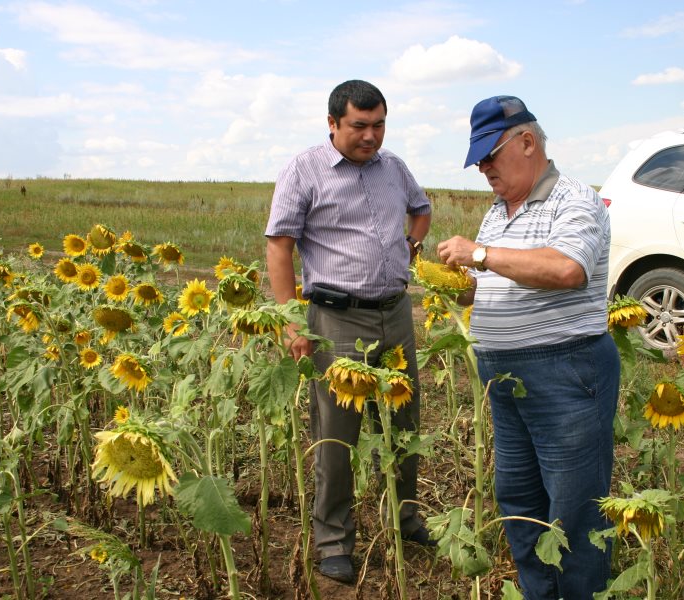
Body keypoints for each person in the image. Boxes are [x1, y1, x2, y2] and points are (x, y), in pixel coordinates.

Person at [437, 95, 620, 600]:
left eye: (490, 155)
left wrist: (478, 253)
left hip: (566, 374)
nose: (483, 167)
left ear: (527, 141)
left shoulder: (575, 199)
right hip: (507, 382)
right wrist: (460, 284)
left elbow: (566, 269)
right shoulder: (498, 213)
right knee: (519, 502)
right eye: (477, 160)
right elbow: (498, 280)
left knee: (575, 513)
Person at [265, 79, 433, 584]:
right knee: (337, 435)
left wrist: (410, 245)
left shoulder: (394, 168)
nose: (371, 136)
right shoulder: (304, 169)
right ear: (334, 123)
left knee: (404, 424)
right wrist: (292, 319)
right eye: (360, 126)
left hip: (395, 313)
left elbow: (421, 209)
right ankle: (334, 540)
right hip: (336, 317)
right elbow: (279, 245)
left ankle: (404, 521)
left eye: (379, 125)